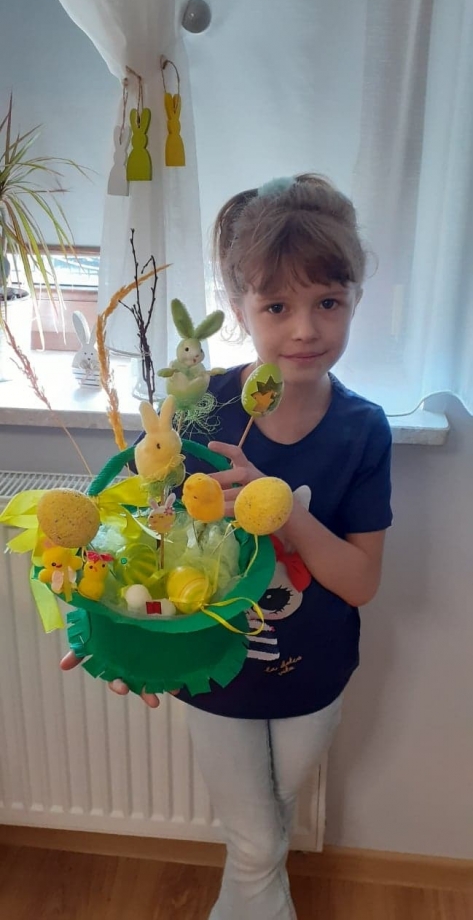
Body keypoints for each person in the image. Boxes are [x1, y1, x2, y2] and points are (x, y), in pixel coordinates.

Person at [62, 174, 392, 920]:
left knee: (265, 833)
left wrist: (281, 511)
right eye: (277, 306)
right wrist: (111, 627)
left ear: (354, 300)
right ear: (239, 308)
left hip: (314, 674)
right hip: (214, 671)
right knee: (255, 843)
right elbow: (145, 540)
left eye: (328, 302)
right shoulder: (199, 408)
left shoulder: (363, 428)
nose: (305, 329)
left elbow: (360, 581)